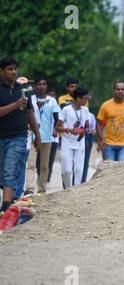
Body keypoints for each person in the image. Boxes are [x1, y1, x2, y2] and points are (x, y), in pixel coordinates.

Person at [0, 57, 41, 212]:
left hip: (18, 137)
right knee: (3, 173)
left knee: (10, 170)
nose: (14, 71)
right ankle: (8, 201)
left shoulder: (22, 89)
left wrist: (37, 135)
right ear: (2, 71)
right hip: (1, 137)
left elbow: (29, 112)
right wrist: (15, 105)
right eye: (10, 69)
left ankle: (6, 206)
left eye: (15, 69)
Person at [96, 81, 124, 161]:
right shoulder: (106, 105)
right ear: (113, 91)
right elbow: (98, 124)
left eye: (122, 89)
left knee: (121, 168)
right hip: (109, 144)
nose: (120, 91)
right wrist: (101, 139)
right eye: (118, 89)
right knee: (110, 169)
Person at [56, 87, 90, 189]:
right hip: (67, 143)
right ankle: (68, 189)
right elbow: (57, 127)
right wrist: (70, 130)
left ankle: (76, 191)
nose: (86, 101)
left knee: (79, 170)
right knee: (67, 170)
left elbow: (87, 127)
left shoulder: (85, 110)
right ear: (78, 98)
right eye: (84, 98)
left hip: (80, 143)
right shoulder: (66, 110)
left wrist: (84, 130)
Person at [32, 77, 60, 194]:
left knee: (44, 165)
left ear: (46, 86)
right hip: (32, 137)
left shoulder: (52, 100)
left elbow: (56, 117)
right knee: (31, 165)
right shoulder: (31, 99)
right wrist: (37, 107)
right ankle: (29, 188)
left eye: (44, 84)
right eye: (39, 84)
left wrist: (55, 129)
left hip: (47, 137)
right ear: (35, 86)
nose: (41, 86)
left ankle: (41, 190)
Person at [81, 110, 96, 183]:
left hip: (88, 138)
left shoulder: (91, 115)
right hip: (76, 138)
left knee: (85, 160)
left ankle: (83, 180)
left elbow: (93, 131)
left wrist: (88, 130)